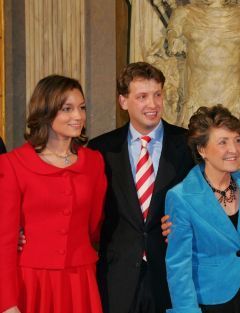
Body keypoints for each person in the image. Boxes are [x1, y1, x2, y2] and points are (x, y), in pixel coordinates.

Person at [88, 62, 194, 313]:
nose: (153, 104)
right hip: (118, 277)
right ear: (123, 101)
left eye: (157, 94)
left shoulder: (188, 145)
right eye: (142, 96)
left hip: (171, 275)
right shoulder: (101, 150)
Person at [0, 75, 107, 313]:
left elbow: (95, 225)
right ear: (45, 112)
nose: (78, 116)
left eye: (81, 108)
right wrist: (7, 303)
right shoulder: (13, 164)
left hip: (80, 281)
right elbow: (4, 242)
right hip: (31, 283)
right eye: (67, 109)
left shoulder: (94, 162)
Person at [165, 105, 240, 313]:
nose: (234, 149)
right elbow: (179, 266)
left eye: (237, 140)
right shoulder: (181, 196)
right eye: (223, 142)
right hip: (210, 302)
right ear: (202, 150)